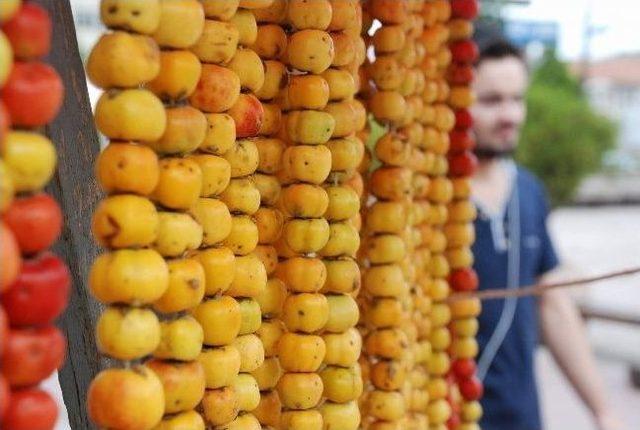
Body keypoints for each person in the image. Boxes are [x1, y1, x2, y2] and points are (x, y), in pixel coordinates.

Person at [469, 37, 623, 430]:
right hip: (437, 412)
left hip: (520, 416)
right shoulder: (421, 196)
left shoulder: (528, 190)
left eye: (517, 99)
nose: (511, 115)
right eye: (491, 100)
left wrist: (602, 410)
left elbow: (554, 305)